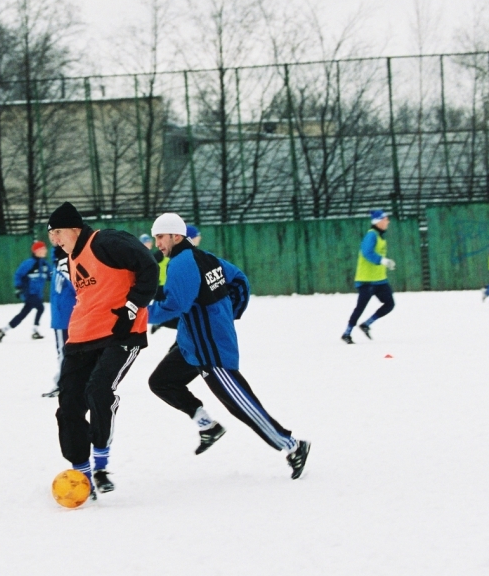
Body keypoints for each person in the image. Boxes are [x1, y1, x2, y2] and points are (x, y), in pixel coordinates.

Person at [146, 213, 311, 479]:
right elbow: (239, 280)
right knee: (162, 381)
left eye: (161, 237)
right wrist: (227, 312)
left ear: (176, 236)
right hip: (191, 344)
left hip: (210, 349)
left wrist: (138, 315)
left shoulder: (181, 263)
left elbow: (175, 305)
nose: (158, 244)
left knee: (240, 404)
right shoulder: (206, 257)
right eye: (155, 238)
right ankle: (207, 426)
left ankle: (293, 445)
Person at [47, 202, 159, 497]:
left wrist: (132, 307)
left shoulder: (106, 241)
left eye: (57, 233)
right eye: (52, 235)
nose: (55, 240)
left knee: (98, 392)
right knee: (68, 405)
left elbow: (148, 267)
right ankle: (82, 475)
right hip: (80, 337)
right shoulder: (70, 258)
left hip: (120, 334)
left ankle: (100, 465)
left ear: (74, 228)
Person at [342, 210, 396, 344]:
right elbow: (367, 252)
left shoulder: (380, 236)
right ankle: (347, 333)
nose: (387, 221)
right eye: (385, 219)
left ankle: (366, 324)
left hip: (380, 280)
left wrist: (385, 262)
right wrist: (382, 260)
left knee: (389, 304)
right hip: (367, 280)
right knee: (360, 307)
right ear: (378, 221)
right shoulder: (371, 235)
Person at [0, 241, 51, 342]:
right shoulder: (29, 263)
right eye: (43, 249)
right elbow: (18, 274)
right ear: (36, 251)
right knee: (41, 308)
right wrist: (18, 287)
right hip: (29, 293)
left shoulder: (45, 264)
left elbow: (51, 275)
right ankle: (35, 330)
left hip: (37, 293)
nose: (45, 251)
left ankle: (4, 330)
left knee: (23, 314)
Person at [43, 245, 76, 398]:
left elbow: (77, 288)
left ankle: (62, 384)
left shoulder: (66, 264)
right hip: (63, 317)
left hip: (65, 318)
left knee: (64, 353)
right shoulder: (58, 263)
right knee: (67, 352)